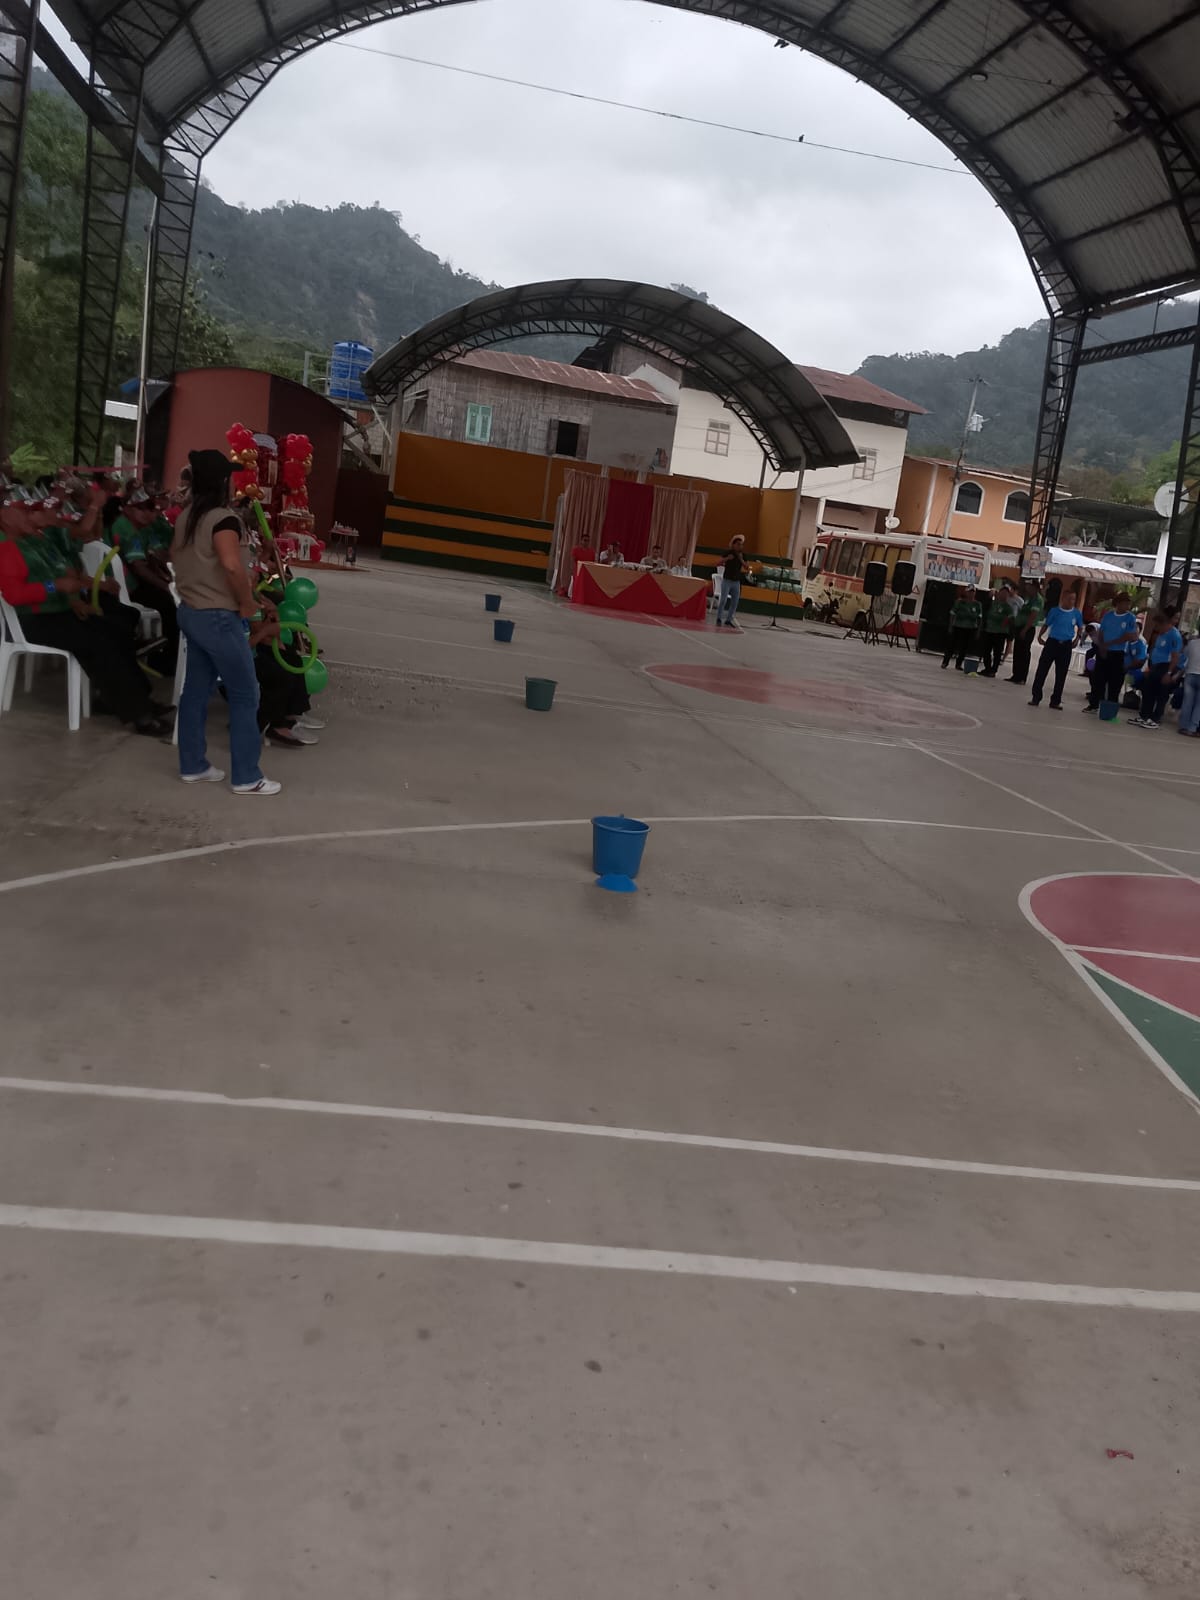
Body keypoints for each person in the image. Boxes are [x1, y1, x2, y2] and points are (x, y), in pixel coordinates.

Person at [0, 483, 171, 735]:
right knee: (101, 643)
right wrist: (55, 586)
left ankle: (129, 699)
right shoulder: (6, 548)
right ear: (5, 516)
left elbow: (61, 572)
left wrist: (74, 600)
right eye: (25, 511)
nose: (33, 515)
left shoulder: (32, 540)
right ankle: (139, 714)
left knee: (115, 632)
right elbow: (15, 596)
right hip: (34, 621)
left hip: (59, 612)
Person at [170, 450, 279, 795]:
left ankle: (193, 764)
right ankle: (246, 775)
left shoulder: (187, 517)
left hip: (191, 611)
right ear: (222, 482)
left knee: (195, 690)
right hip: (217, 616)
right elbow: (231, 565)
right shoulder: (223, 520)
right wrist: (246, 603)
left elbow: (206, 565)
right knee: (246, 692)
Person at [110, 486, 180, 668]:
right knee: (170, 603)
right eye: (142, 508)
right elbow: (139, 568)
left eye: (150, 507)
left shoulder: (145, 528)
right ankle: (167, 661)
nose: (149, 512)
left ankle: (171, 655)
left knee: (174, 598)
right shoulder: (126, 528)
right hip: (124, 588)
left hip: (136, 581)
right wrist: (167, 587)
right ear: (127, 509)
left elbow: (161, 555)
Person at [1029, 589, 1085, 710]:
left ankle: (1055, 700)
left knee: (1061, 674)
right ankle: (1036, 697)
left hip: (1066, 644)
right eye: (1069, 599)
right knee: (1042, 670)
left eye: (1073, 599)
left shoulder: (1076, 613)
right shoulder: (1055, 611)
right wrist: (1040, 636)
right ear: (1063, 598)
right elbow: (1047, 624)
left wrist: (1077, 638)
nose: (1071, 601)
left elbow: (1080, 627)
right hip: (1052, 642)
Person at [1084, 591, 1138, 713]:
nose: (1127, 606)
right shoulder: (1108, 615)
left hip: (1118, 652)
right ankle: (1094, 705)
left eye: (1128, 603)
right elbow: (1102, 632)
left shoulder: (1130, 618)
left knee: (1115, 682)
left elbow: (1130, 635)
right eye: (1125, 603)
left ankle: (1110, 709)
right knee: (1098, 679)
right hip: (1104, 651)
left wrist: (1111, 643)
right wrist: (1102, 646)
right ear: (1118, 603)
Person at [1130, 604, 1183, 729]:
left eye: (1158, 625)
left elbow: (1175, 656)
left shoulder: (1174, 635)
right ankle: (1144, 716)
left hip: (1166, 666)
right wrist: (1149, 667)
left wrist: (1169, 673)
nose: (1157, 628)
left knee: (1161, 694)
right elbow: (1155, 651)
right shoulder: (1160, 635)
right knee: (1148, 691)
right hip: (1155, 666)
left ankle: (1155, 719)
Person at [1006, 581, 1044, 684]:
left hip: (1027, 628)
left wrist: (1025, 629)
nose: (1027, 588)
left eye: (1029, 587)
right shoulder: (1028, 598)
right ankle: (1016, 675)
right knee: (1017, 651)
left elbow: (1033, 615)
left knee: (1024, 652)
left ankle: (1022, 677)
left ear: (1035, 588)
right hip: (1019, 626)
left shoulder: (1037, 600)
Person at [942, 585, 981, 669]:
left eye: (973, 592)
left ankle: (958, 664)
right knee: (951, 645)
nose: (971, 594)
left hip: (970, 628)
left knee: (964, 647)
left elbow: (979, 618)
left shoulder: (977, 604)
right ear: (966, 592)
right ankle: (945, 662)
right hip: (958, 626)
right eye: (969, 592)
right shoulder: (960, 602)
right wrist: (950, 626)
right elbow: (952, 613)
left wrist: (978, 630)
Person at [716, 535, 751, 629]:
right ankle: (719, 618)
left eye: (741, 545)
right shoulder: (728, 552)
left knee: (735, 602)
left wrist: (741, 559)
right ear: (734, 544)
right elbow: (718, 563)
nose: (740, 546)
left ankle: (729, 620)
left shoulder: (743, 555)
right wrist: (727, 558)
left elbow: (747, 567)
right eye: (738, 544)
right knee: (723, 600)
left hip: (736, 582)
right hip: (727, 580)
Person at [980, 584, 1013, 676]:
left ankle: (993, 670)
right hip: (989, 630)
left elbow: (1010, 618)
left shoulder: (1008, 607)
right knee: (986, 650)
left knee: (997, 652)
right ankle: (987, 668)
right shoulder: (993, 604)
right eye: (1002, 592)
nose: (1003, 595)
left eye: (1006, 593)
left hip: (1000, 632)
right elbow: (985, 609)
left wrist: (1005, 623)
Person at [1178, 628, 1200, 736]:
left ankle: (1183, 726)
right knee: (1198, 705)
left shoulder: (1191, 643)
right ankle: (1192, 728)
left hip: (1190, 674)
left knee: (1187, 702)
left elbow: (1184, 658)